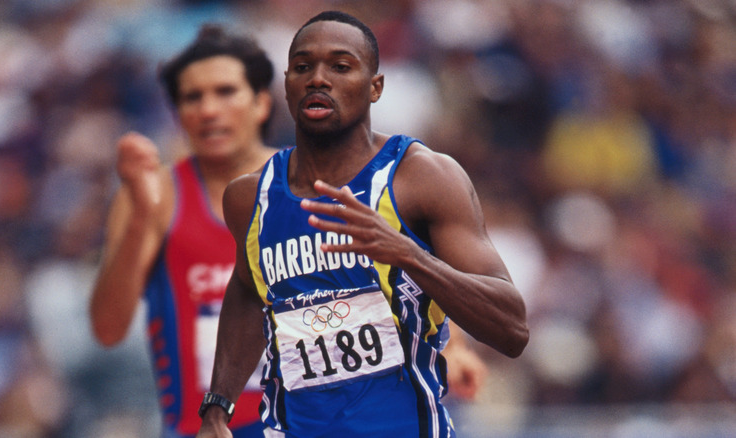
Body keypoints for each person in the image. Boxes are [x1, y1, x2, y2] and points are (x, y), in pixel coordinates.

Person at [196, 11, 529, 437]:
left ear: (375, 87)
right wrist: (218, 403)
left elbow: (513, 329)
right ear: (286, 84)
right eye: (303, 67)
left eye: (340, 66)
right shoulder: (249, 198)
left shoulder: (422, 178)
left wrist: (409, 254)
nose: (318, 78)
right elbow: (247, 288)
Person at [89, 24, 277, 438]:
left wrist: (454, 348)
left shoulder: (307, 182)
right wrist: (140, 215)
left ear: (262, 103)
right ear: (177, 114)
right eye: (193, 97)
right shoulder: (154, 195)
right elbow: (107, 329)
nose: (208, 109)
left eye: (225, 91)